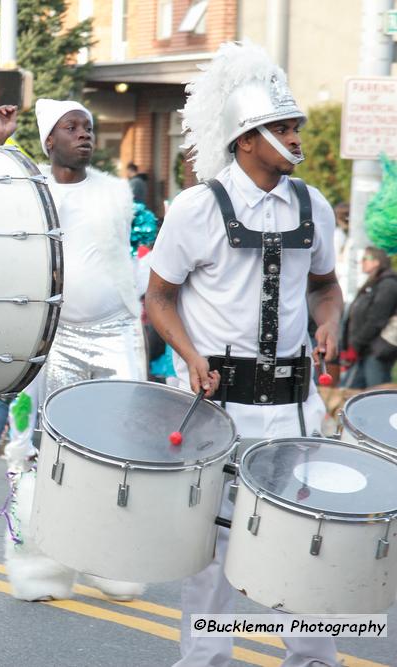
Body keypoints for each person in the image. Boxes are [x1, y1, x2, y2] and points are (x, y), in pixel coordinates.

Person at [145, 41, 342, 667]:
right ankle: (204, 659)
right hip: (219, 405)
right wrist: (190, 356)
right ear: (246, 139)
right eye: (281, 128)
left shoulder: (312, 206)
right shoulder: (196, 209)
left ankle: (313, 657)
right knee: (213, 551)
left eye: (295, 126)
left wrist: (330, 322)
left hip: (294, 406)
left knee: (307, 542)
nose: (294, 137)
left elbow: (326, 287)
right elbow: (159, 299)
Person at [0, 100, 148, 602]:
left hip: (115, 331)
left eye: (89, 127)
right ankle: (40, 569)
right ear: (47, 140)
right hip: (47, 336)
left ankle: (108, 561)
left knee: (117, 452)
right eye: (70, 127)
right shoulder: (29, 187)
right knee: (31, 450)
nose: (84, 134)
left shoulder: (116, 192)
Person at [341, 246, 397, 388]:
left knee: (377, 394)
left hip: (377, 350)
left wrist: (356, 345)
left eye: (366, 258)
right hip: (365, 349)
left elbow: (376, 319)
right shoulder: (373, 283)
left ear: (377, 261)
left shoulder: (388, 285)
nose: (362, 262)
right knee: (352, 392)